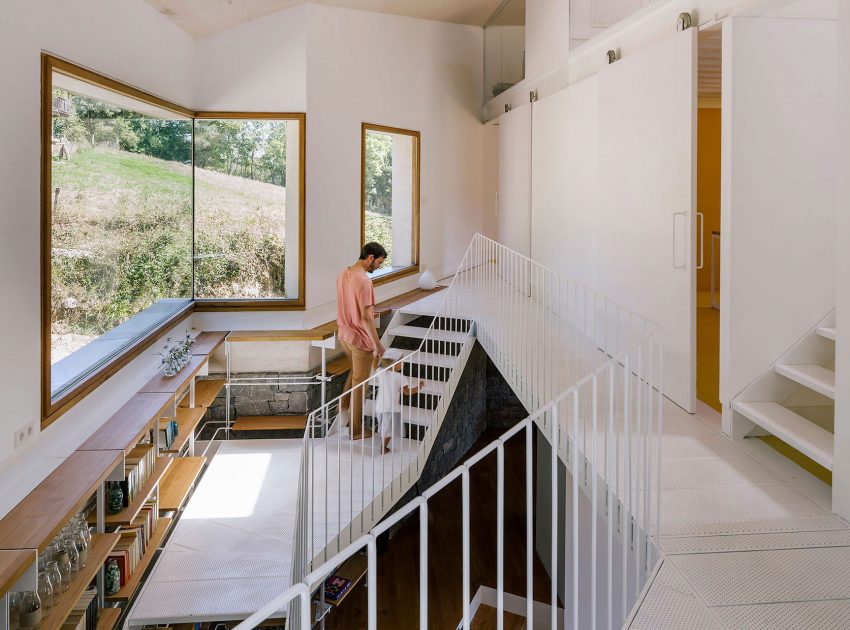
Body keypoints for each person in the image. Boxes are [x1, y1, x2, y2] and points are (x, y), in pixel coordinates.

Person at [336, 242, 387, 439]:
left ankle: (343, 406)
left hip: (344, 334)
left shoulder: (343, 273)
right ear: (371, 257)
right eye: (379, 262)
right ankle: (356, 431)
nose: (379, 267)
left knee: (355, 375)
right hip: (359, 339)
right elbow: (366, 317)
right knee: (361, 384)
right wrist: (377, 345)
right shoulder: (364, 281)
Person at [374, 356, 424, 454]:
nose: (403, 364)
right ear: (396, 365)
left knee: (384, 426)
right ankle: (383, 448)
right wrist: (419, 387)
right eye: (401, 362)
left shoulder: (380, 372)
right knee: (389, 430)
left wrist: (376, 356)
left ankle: (383, 441)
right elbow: (407, 392)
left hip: (379, 406)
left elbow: (374, 366)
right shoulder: (400, 377)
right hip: (391, 408)